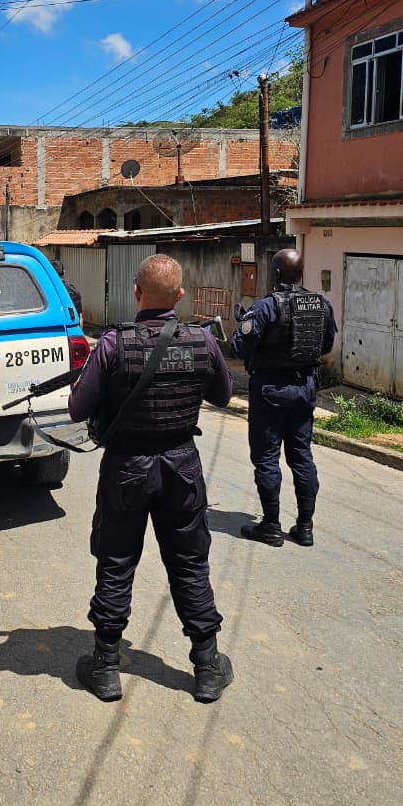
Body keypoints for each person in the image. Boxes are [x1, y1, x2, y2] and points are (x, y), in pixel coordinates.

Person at [67, 254, 234, 704]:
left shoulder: (112, 345)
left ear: (135, 293)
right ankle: (206, 667)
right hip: (181, 466)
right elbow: (223, 395)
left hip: (126, 468)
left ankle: (105, 667)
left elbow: (77, 409)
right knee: (189, 562)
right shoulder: (202, 341)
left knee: (116, 561)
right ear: (180, 296)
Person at [230, 248, 336, 549]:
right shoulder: (322, 305)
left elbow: (239, 347)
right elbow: (327, 345)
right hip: (305, 389)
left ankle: (271, 526)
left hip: (270, 391)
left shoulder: (266, 307)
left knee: (266, 457)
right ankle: (305, 528)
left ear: (276, 273)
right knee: (302, 456)